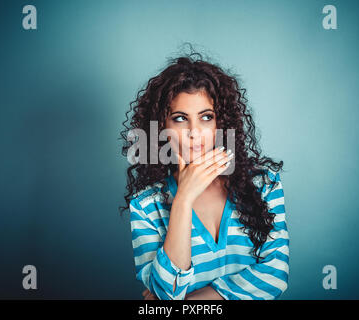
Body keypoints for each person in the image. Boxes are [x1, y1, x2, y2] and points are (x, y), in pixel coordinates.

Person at [120, 49, 289, 300]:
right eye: (179, 119)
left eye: (206, 117)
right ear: (161, 127)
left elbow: (275, 274)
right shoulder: (146, 205)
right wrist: (183, 200)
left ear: (221, 122)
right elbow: (166, 292)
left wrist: (192, 301)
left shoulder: (263, 184)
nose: (194, 132)